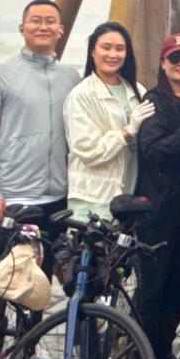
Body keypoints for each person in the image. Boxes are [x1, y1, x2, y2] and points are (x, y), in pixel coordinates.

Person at [129, 33, 180, 359]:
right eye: (175, 58)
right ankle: (140, 356)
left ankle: (163, 351)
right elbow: (153, 150)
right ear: (162, 63)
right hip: (156, 211)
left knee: (179, 286)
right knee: (152, 289)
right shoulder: (153, 101)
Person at [0, 0, 75, 223]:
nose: (43, 26)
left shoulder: (71, 77)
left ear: (61, 29)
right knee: (11, 259)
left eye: (50, 21)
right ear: (22, 28)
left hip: (59, 197)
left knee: (54, 259)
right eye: (35, 20)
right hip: (13, 197)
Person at [63, 20, 143, 221]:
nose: (113, 54)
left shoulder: (137, 90)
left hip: (127, 197)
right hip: (92, 198)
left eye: (120, 48)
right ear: (92, 51)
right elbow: (87, 150)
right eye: (106, 47)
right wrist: (127, 132)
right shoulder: (81, 95)